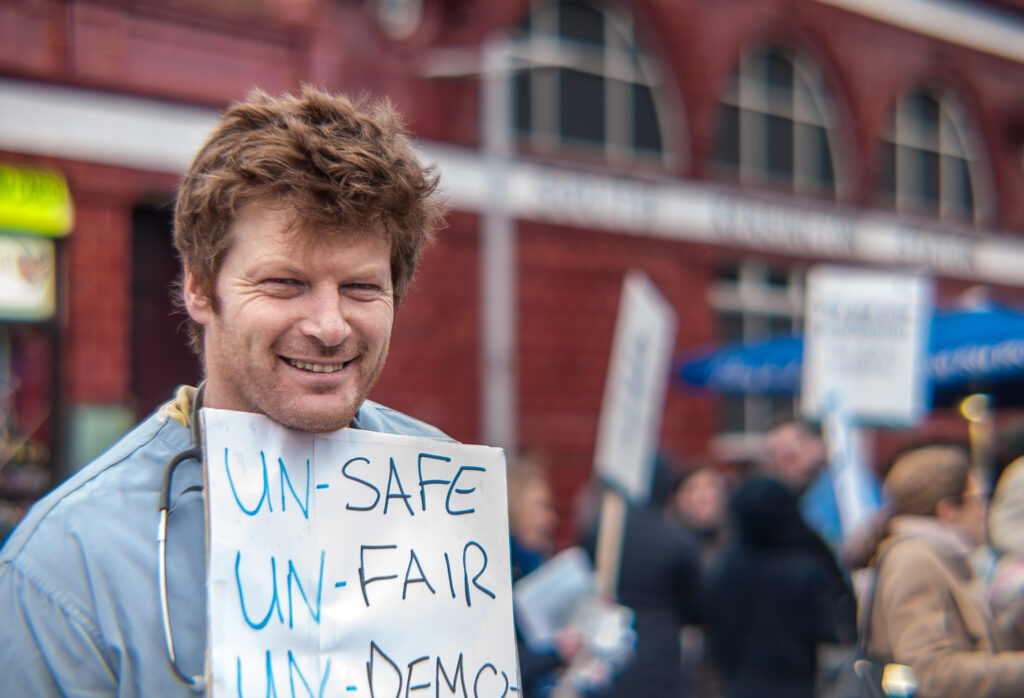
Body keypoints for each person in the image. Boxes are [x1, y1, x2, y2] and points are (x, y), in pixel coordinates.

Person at [0, 87, 448, 696]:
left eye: (362, 288)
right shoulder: (67, 567)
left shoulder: (446, 504)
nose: (329, 324)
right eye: (285, 282)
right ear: (201, 288)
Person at [855, 444, 1024, 697]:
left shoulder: (938, 555)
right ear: (947, 510)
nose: (983, 512)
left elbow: (981, 643)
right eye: (977, 500)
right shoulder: (914, 559)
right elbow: (931, 674)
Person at [704, 475, 856, 698]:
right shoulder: (808, 566)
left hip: (740, 682)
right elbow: (829, 630)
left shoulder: (727, 565)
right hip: (796, 682)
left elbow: (712, 624)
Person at [582, 454, 703, 698]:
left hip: (610, 642)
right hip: (661, 647)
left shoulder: (603, 530)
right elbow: (695, 604)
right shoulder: (677, 537)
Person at [507, 451, 581, 696]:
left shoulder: (534, 568)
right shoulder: (494, 581)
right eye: (541, 507)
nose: (551, 519)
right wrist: (554, 652)